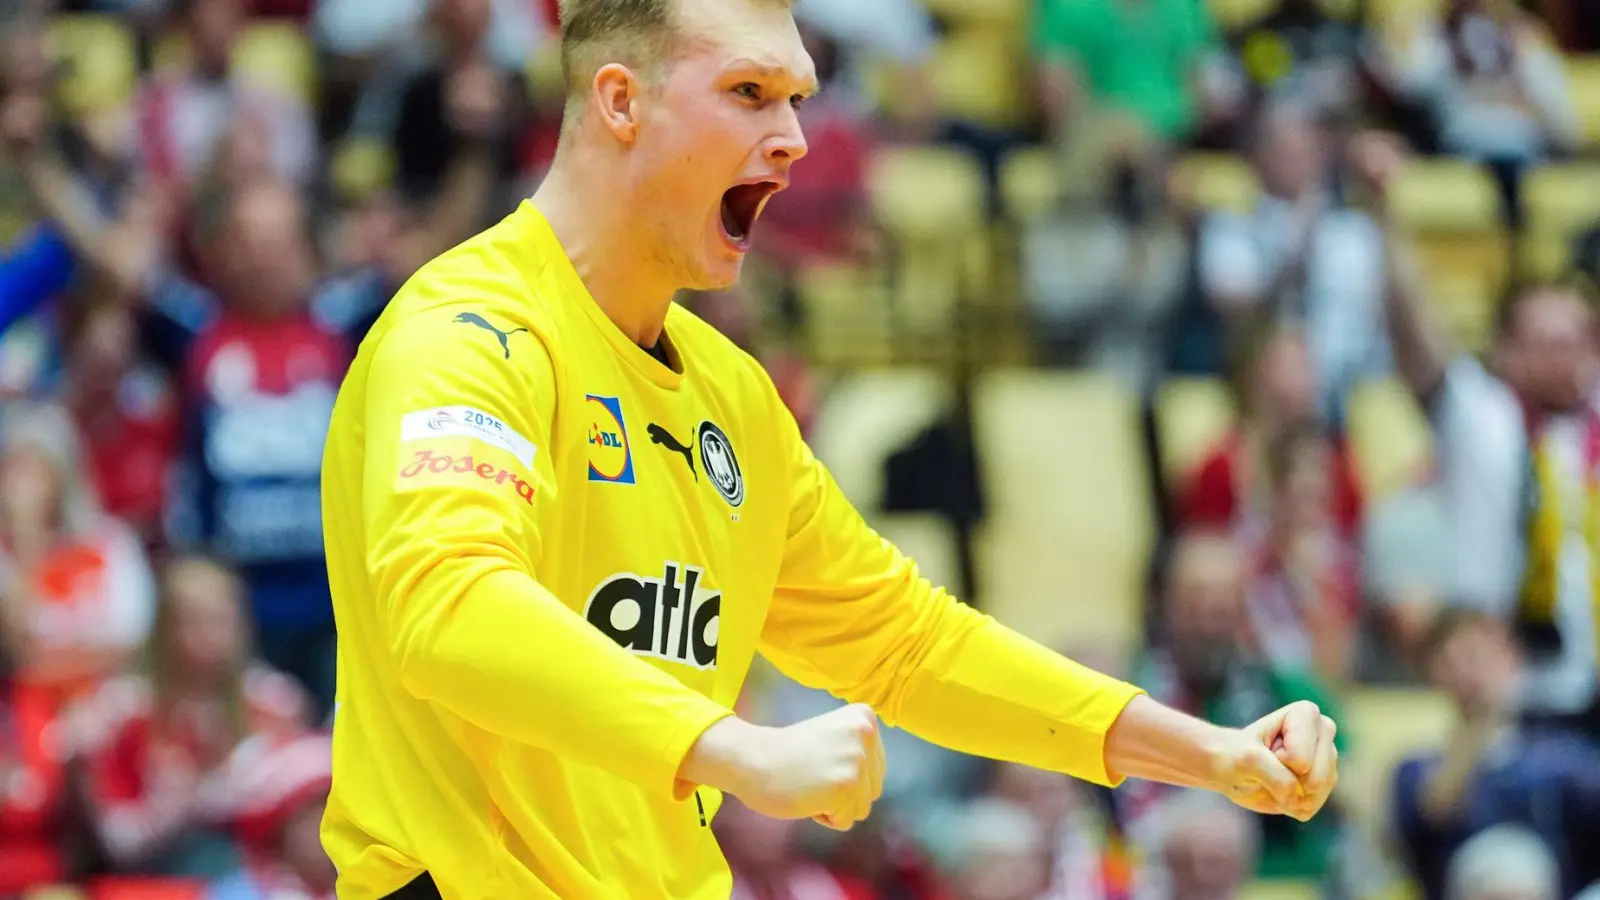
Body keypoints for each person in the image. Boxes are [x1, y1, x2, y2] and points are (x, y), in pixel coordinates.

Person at [317, 0, 1341, 896]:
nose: (796, 138)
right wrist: (735, 753)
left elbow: (909, 644)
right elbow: (445, 609)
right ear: (621, 102)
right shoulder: (468, 332)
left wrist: (1206, 752)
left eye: (799, 97)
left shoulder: (733, 397)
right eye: (750, 92)